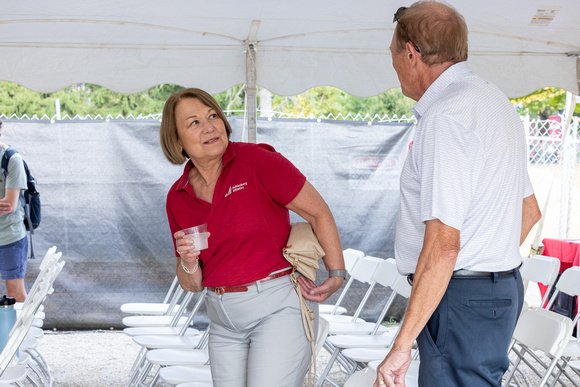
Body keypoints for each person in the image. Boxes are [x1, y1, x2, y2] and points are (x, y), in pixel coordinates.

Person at [373, 2, 542, 387]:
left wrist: (401, 346)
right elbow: (529, 211)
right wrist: (487, 267)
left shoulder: (447, 115)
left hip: (461, 293)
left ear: (412, 54)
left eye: (394, 54)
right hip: (489, 288)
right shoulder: (495, 102)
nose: (395, 65)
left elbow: (445, 245)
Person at [160, 88, 346, 387]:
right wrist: (188, 261)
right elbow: (192, 284)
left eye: (212, 116)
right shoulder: (177, 197)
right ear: (177, 141)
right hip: (222, 320)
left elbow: (318, 212)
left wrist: (337, 273)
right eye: (193, 122)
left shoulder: (257, 161)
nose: (209, 126)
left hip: (277, 308)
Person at [0, 119, 29, 302]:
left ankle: (24, 331)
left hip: (9, 237)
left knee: (16, 293)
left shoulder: (12, 159)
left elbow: (9, 204)